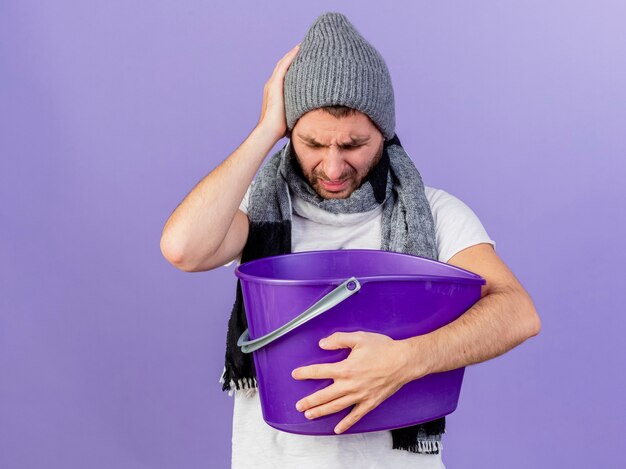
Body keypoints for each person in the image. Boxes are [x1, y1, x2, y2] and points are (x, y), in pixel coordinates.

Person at [160, 11, 541, 469]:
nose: (334, 167)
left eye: (354, 144)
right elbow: (183, 248)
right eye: (313, 143)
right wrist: (265, 129)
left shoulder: (437, 213)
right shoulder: (257, 216)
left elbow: (518, 312)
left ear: (384, 131)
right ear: (290, 131)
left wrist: (407, 360)